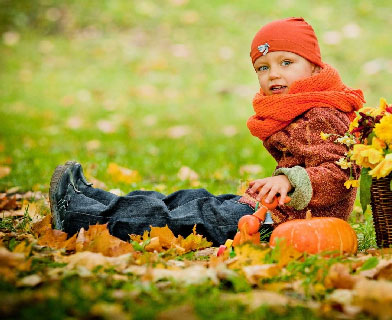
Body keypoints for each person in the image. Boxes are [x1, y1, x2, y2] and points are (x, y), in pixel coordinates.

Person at [49, 17, 365, 246]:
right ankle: (94, 199)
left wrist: (289, 180)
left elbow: (339, 173)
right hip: (267, 211)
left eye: (286, 62)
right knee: (189, 199)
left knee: (181, 218)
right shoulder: (304, 107)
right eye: (263, 67)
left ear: (313, 67)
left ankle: (80, 217)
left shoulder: (324, 113)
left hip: (283, 225)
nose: (273, 74)